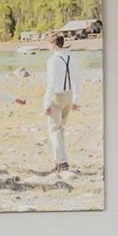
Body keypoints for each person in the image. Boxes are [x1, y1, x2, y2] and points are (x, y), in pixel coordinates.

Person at [41, 29, 83, 173]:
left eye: (49, 44)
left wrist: (46, 103)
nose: (48, 47)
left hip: (57, 96)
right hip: (69, 95)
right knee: (60, 130)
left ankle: (63, 161)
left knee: (54, 129)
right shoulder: (72, 59)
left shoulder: (52, 61)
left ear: (53, 45)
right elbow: (77, 80)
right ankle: (58, 161)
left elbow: (51, 83)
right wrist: (76, 99)